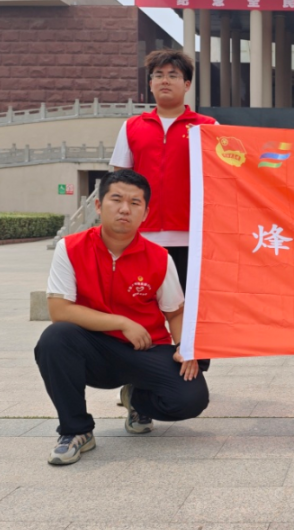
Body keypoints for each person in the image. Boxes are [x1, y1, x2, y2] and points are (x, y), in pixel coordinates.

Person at [36, 169, 209, 466]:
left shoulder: (159, 257)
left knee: (191, 398)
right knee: (55, 339)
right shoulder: (71, 248)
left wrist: (185, 349)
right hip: (94, 352)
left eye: (135, 203)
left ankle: (138, 399)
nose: (125, 209)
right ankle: (76, 431)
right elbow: (59, 311)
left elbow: (175, 312)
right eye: (116, 199)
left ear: (145, 212)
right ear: (99, 205)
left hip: (146, 351)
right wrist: (121, 322)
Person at [110, 49, 218, 291]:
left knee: (188, 306)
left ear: (187, 84)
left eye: (173, 75)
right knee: (140, 302)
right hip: (142, 235)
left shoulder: (208, 128)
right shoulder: (131, 127)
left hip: (192, 236)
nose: (165, 81)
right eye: (158, 75)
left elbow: (221, 181)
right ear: (150, 84)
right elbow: (119, 182)